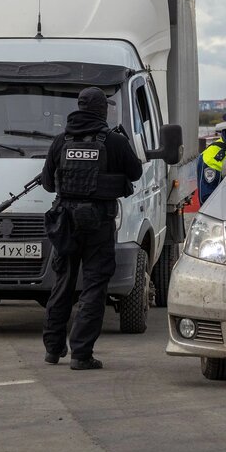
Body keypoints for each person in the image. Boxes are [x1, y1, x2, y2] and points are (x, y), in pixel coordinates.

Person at [40, 87, 143, 371]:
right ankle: (81, 355)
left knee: (62, 284)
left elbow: (49, 184)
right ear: (100, 110)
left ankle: (52, 350)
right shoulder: (114, 141)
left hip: (64, 221)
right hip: (98, 222)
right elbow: (135, 173)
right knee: (94, 287)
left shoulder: (60, 141)